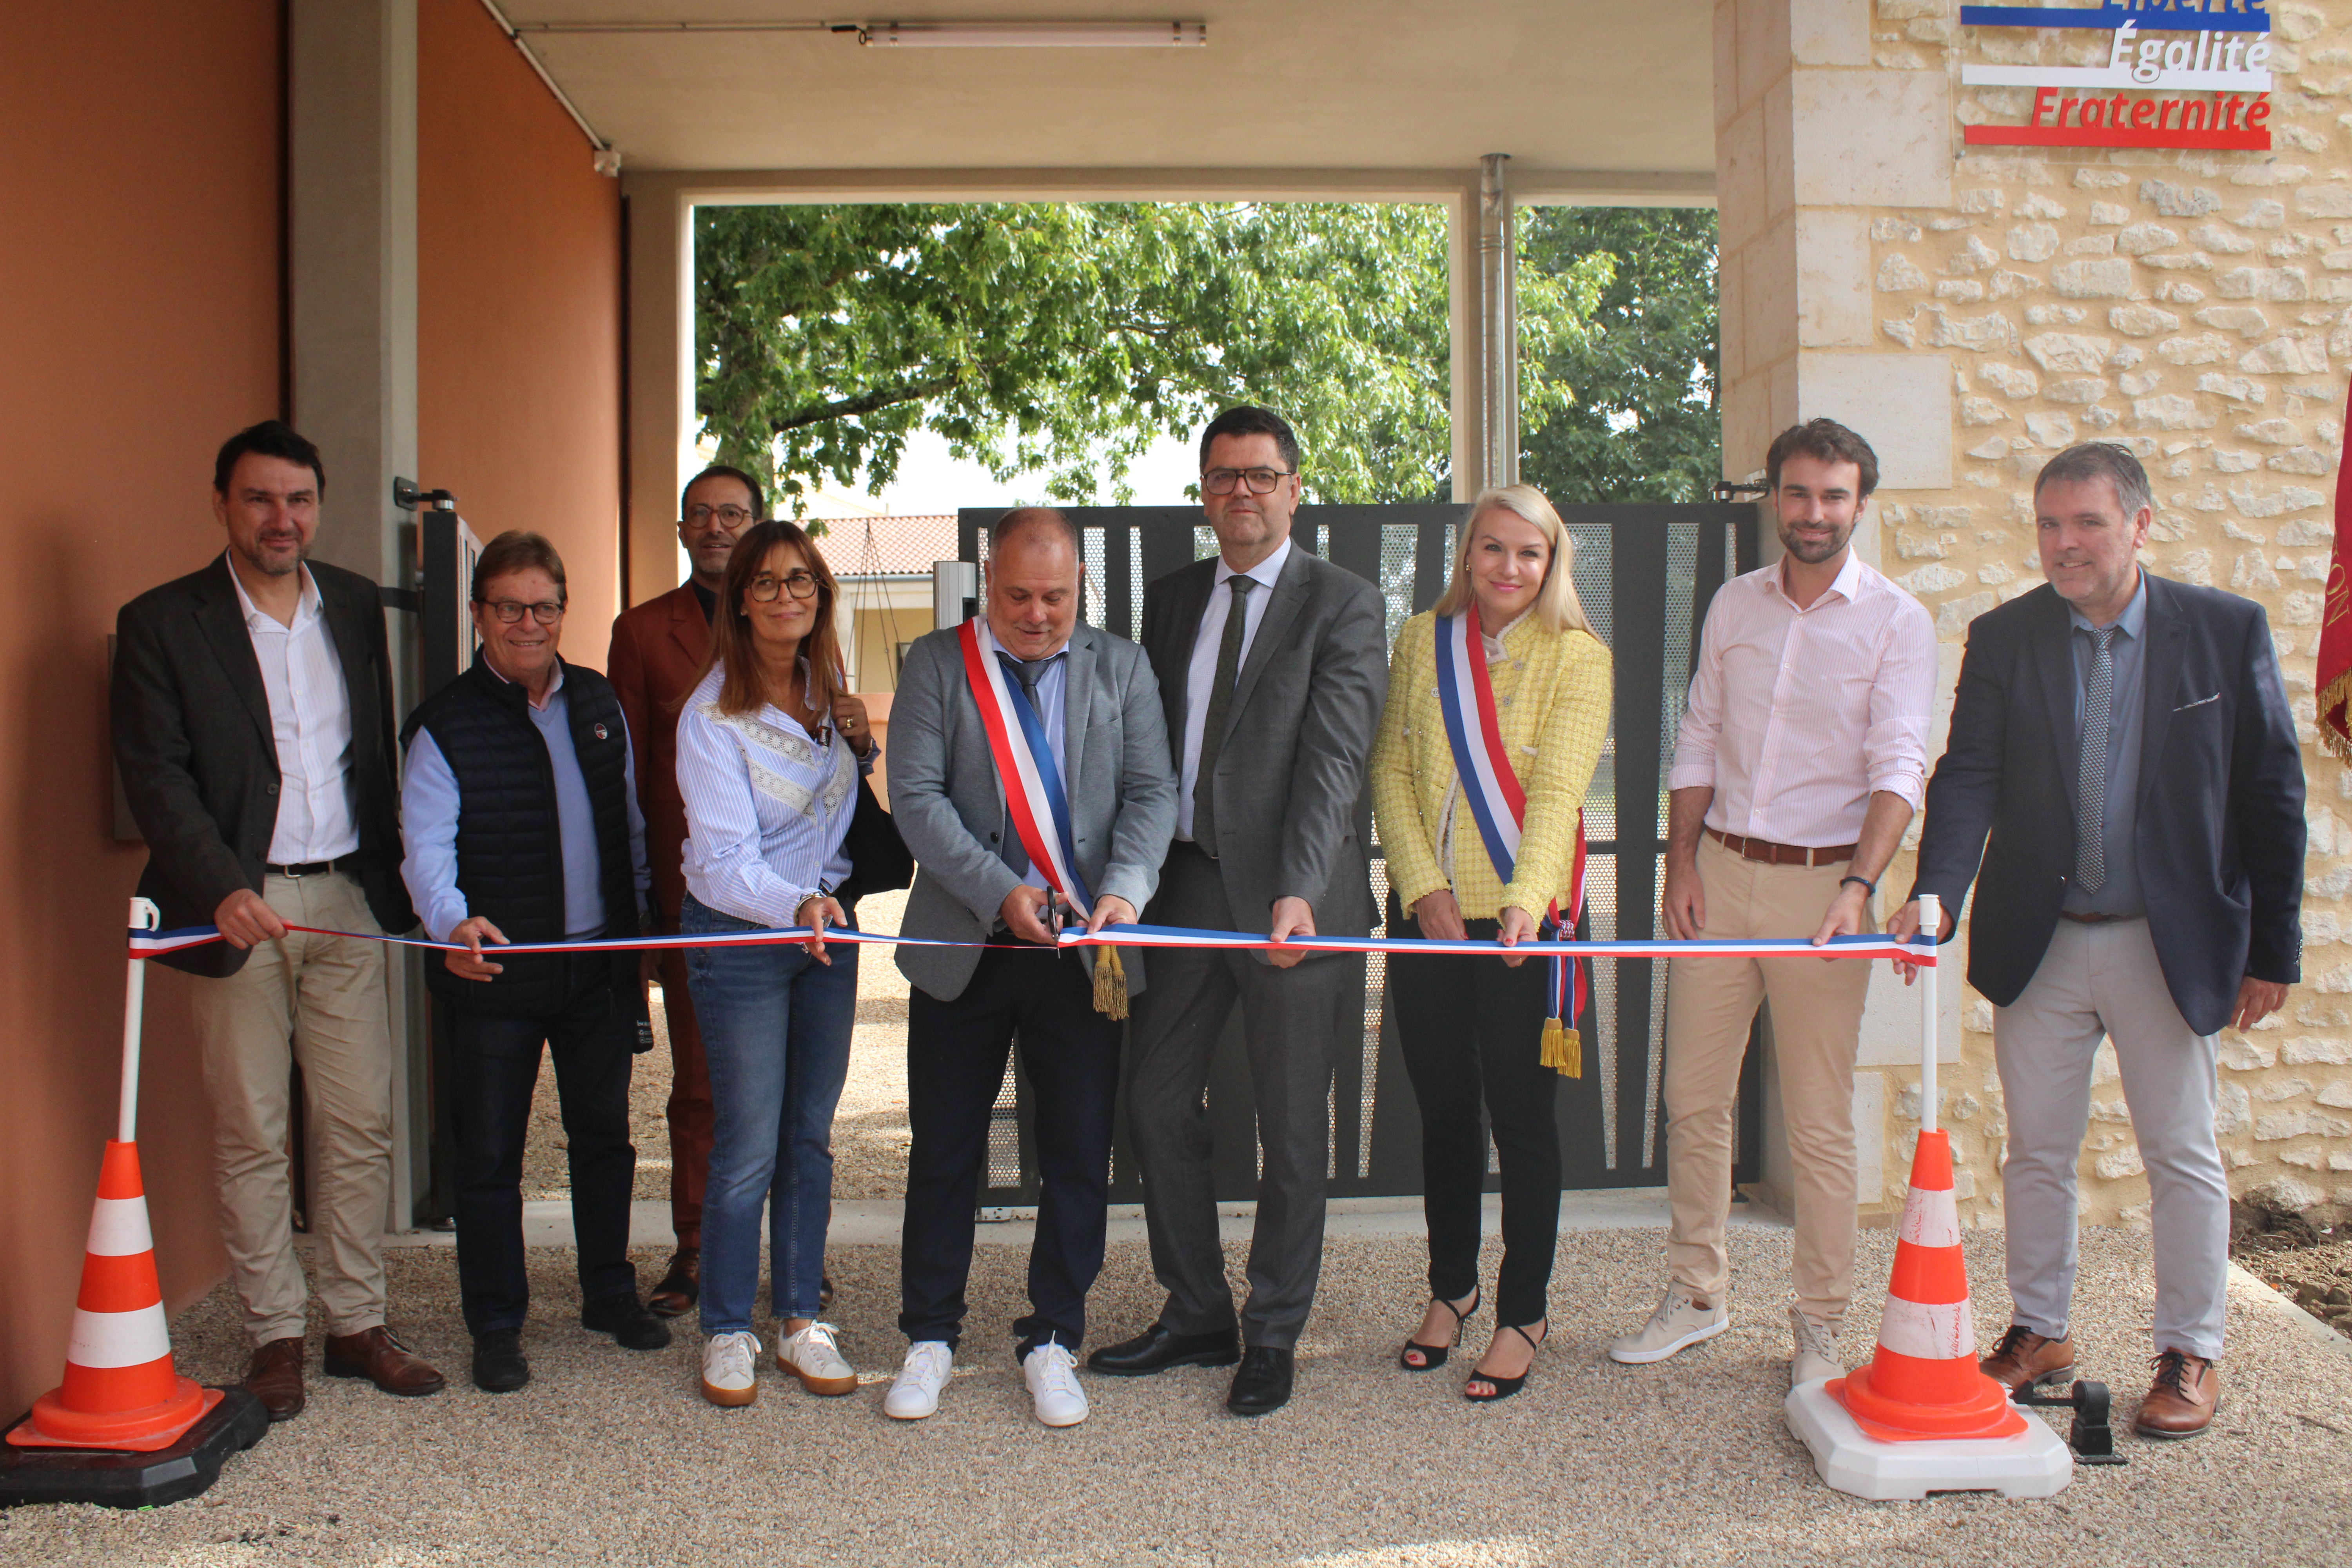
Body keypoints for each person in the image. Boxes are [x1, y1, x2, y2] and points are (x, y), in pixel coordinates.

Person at [1891, 442, 2304, 1439]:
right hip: (2045, 936)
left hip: (2172, 940)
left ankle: (2191, 1348)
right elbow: (1969, 778)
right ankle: (2041, 1329)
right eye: (2048, 524)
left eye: (2086, 523)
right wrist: (1935, 892)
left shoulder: (2224, 630)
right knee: (2036, 1148)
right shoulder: (2005, 637)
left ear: (2139, 524)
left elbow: (2271, 794)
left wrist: (2273, 949)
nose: (2064, 544)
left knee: (2181, 1151)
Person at [111, 420, 445, 1420]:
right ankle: (274, 1335)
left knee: (359, 1122)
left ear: (318, 506)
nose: (280, 518)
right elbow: (155, 773)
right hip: (235, 907)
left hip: (346, 898)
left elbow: (373, 758)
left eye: (298, 500)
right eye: (260, 498)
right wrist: (220, 881)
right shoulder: (163, 621)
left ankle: (356, 1322)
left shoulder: (349, 603)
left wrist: (400, 883)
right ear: (222, 502)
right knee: (253, 1126)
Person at [1607, 419, 1935, 1389]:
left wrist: (1857, 888)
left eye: (1835, 496)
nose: (1814, 512)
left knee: (1819, 1122)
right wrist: (1680, 865)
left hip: (1824, 890)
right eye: (1798, 493)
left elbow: (1900, 764)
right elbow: (1699, 735)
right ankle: (1696, 1295)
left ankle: (1821, 1327)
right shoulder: (1733, 605)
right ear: (1774, 500)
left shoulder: (1896, 621)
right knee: (1692, 1100)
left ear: (1861, 505)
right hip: (1721, 873)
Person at [1089, 406, 1388, 1417]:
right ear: (1206, 492)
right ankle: (1196, 1307)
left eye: (1261, 475)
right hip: (1185, 888)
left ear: (1295, 488)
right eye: (1223, 477)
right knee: (1158, 1100)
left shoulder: (1343, 604)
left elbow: (1337, 760)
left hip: (1295, 900)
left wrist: (1299, 887)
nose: (1242, 493)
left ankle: (1272, 1330)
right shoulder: (1172, 599)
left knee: (1294, 1127)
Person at [880, 507, 1177, 1428]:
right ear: (987, 577)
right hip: (968, 943)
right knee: (945, 1150)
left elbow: (1151, 792)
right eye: (1018, 595)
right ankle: (929, 1333)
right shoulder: (935, 663)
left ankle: (1053, 1334)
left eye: (1056, 595)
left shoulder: (1120, 667)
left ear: (1079, 583)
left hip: (1083, 950)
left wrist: (1125, 891)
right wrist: (1002, 890)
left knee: (1078, 1151)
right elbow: (918, 800)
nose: (1039, 614)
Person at [400, 530, 668, 1394]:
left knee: (604, 1141)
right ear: (479, 614)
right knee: (488, 1157)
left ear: (562, 611)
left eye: (543, 605)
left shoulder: (596, 701)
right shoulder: (444, 722)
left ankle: (608, 1291)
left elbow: (628, 827)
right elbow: (424, 853)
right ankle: (496, 1319)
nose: (527, 622)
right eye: (509, 606)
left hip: (595, 969)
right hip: (496, 977)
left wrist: (643, 935)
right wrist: (451, 924)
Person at [1368, 484, 1612, 1401]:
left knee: (1523, 1118)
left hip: (1528, 916)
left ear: (1553, 564)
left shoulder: (1582, 658)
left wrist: (1519, 900)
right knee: (1443, 1112)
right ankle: (1453, 1287)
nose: (1511, 568)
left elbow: (1556, 796)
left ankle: (1525, 1307)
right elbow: (1389, 766)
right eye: (1494, 549)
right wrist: (1424, 887)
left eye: (1531, 553)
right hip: (1430, 916)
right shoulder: (1421, 643)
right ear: (1468, 554)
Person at [674, 519, 873, 1408]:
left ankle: (800, 1317)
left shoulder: (827, 693)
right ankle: (724, 1325)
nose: (786, 595)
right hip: (745, 940)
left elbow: (842, 825)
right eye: (766, 582)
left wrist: (863, 746)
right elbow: (720, 860)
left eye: (801, 580)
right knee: (748, 1145)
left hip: (828, 939)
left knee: (810, 1136)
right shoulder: (711, 715)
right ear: (739, 599)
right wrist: (794, 903)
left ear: (820, 595)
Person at [607, 463, 760, 1318]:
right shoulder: (639, 631)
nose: (714, 527)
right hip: (689, 888)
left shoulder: (792, 615)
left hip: (785, 896)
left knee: (788, 1086)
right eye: (699, 514)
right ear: (680, 529)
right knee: (701, 1080)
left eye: (731, 513)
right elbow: (625, 772)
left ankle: (789, 1248)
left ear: (757, 524)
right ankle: (698, 1246)